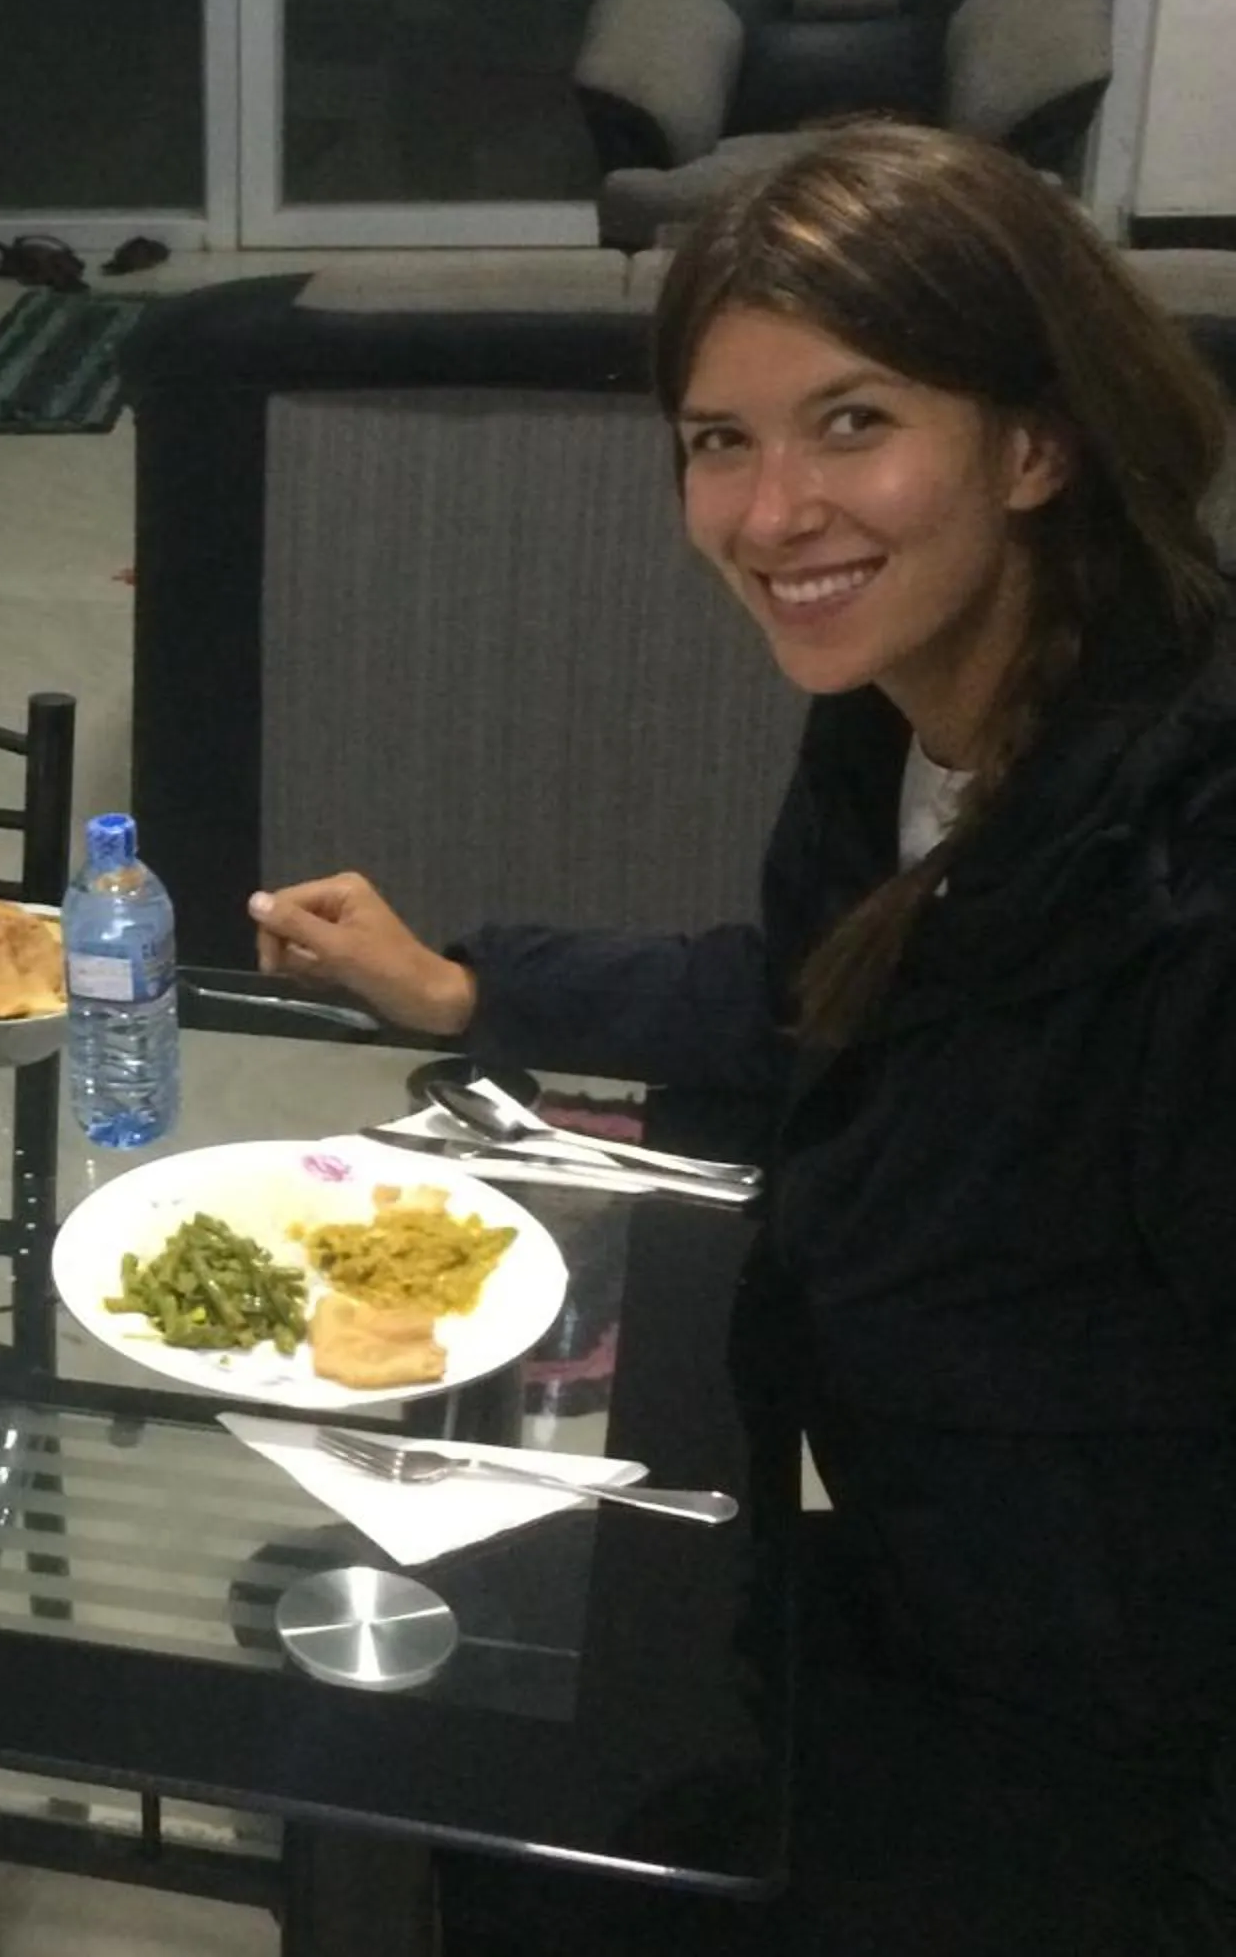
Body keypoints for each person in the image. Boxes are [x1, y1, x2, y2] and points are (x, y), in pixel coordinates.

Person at [250, 124, 1236, 1953]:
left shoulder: (1185, 875)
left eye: (855, 422)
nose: (772, 514)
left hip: (1111, 1745)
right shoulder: (906, 730)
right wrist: (476, 989)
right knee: (403, 1685)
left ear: (1037, 441)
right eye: (722, 439)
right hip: (918, 1574)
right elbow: (816, 997)